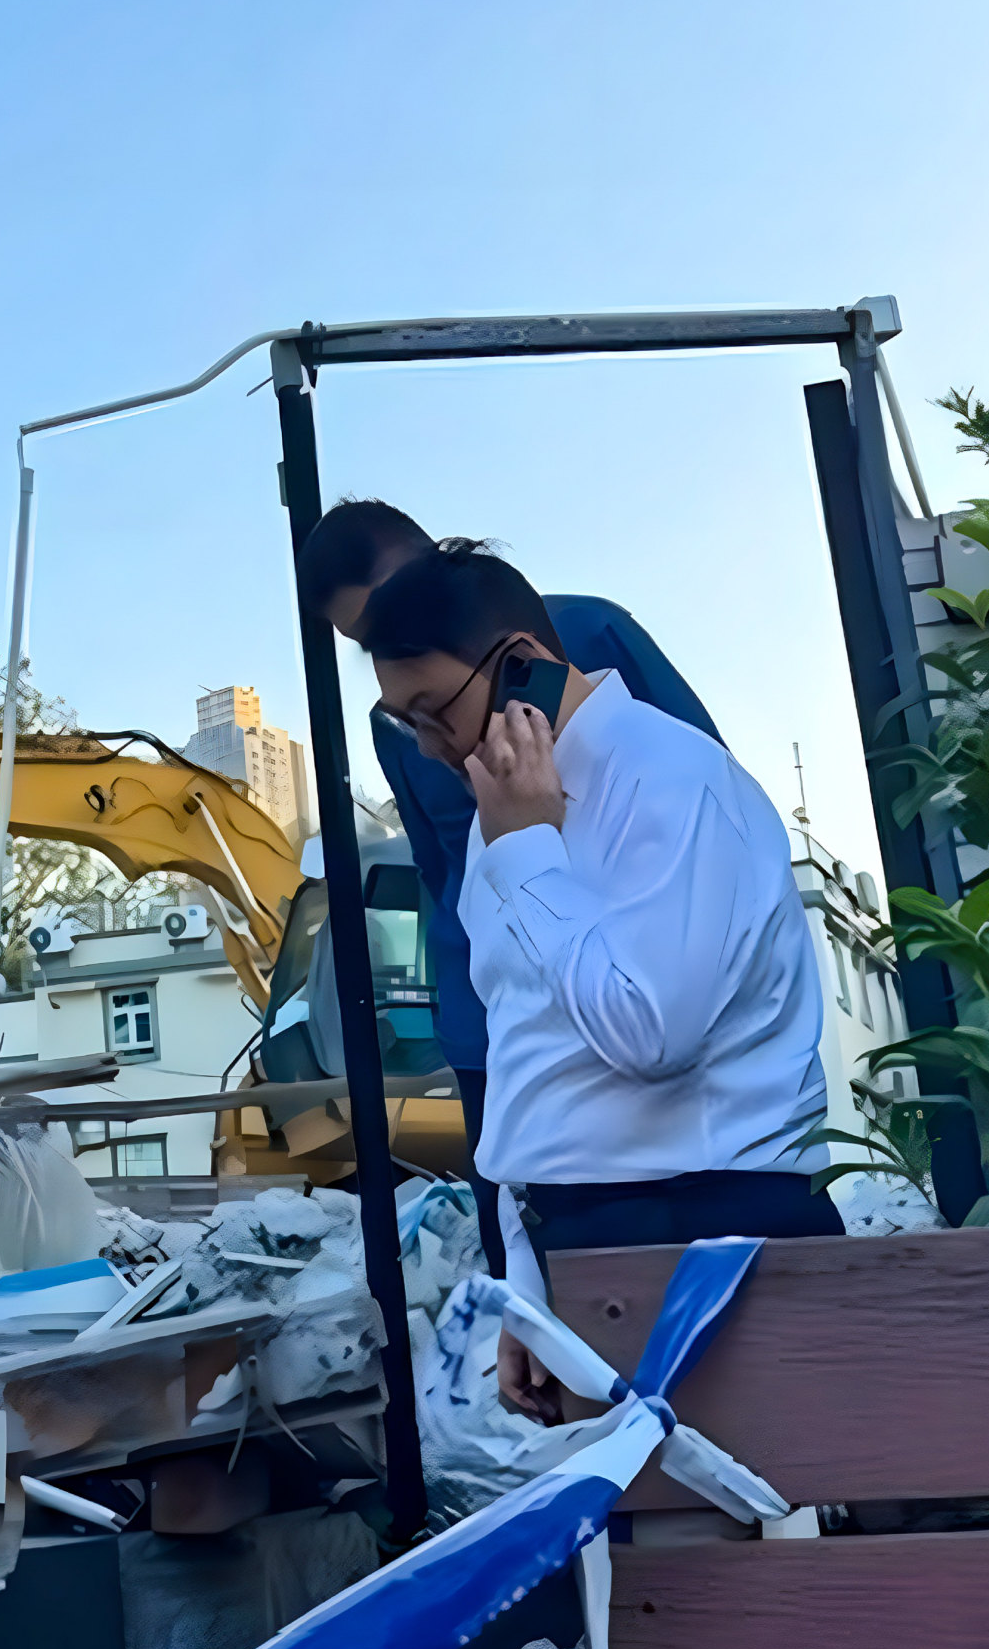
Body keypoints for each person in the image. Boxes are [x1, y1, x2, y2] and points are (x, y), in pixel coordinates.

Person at [353, 545, 835, 1419]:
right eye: (404, 725)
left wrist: (530, 848)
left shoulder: (672, 781)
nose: (427, 751)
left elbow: (649, 1034)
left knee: (703, 1549)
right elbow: (523, 1052)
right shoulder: (499, 811)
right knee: (634, 1549)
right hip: (581, 1237)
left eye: (432, 713)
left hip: (700, 1228)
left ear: (520, 668)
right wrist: (527, 1283)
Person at [299, 499, 721, 1268]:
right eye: (362, 642)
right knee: (523, 1252)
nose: (430, 738)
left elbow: (705, 783)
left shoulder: (587, 632)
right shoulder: (394, 721)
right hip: (490, 1017)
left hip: (624, 983)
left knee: (650, 1246)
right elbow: (436, 864)